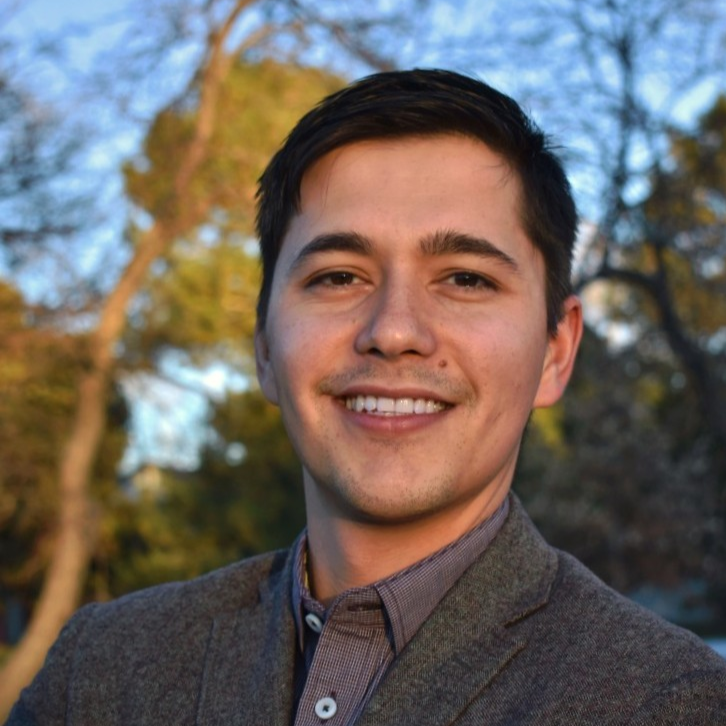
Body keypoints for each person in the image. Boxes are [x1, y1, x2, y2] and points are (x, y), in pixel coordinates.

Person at [8, 69, 726, 726]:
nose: (394, 332)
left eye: (466, 279)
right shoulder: (99, 675)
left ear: (556, 351)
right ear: (263, 346)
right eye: (338, 277)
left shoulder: (666, 703)